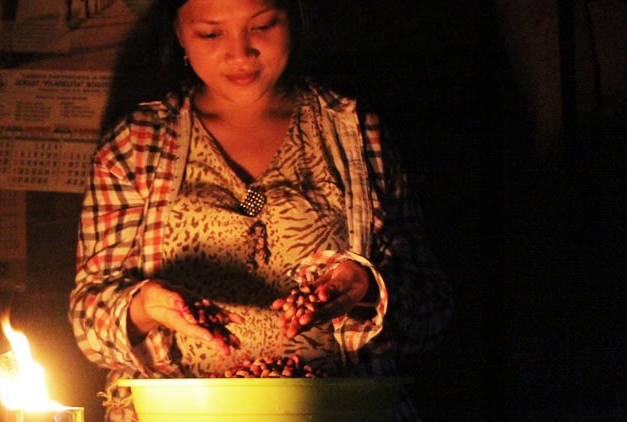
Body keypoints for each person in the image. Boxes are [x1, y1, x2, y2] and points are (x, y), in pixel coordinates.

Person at [68, 0, 453, 420]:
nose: (240, 52)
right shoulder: (136, 146)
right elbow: (89, 324)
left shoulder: (354, 133)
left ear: (294, 20)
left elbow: (430, 311)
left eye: (264, 26)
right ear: (179, 34)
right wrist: (144, 307)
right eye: (211, 34)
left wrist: (367, 290)